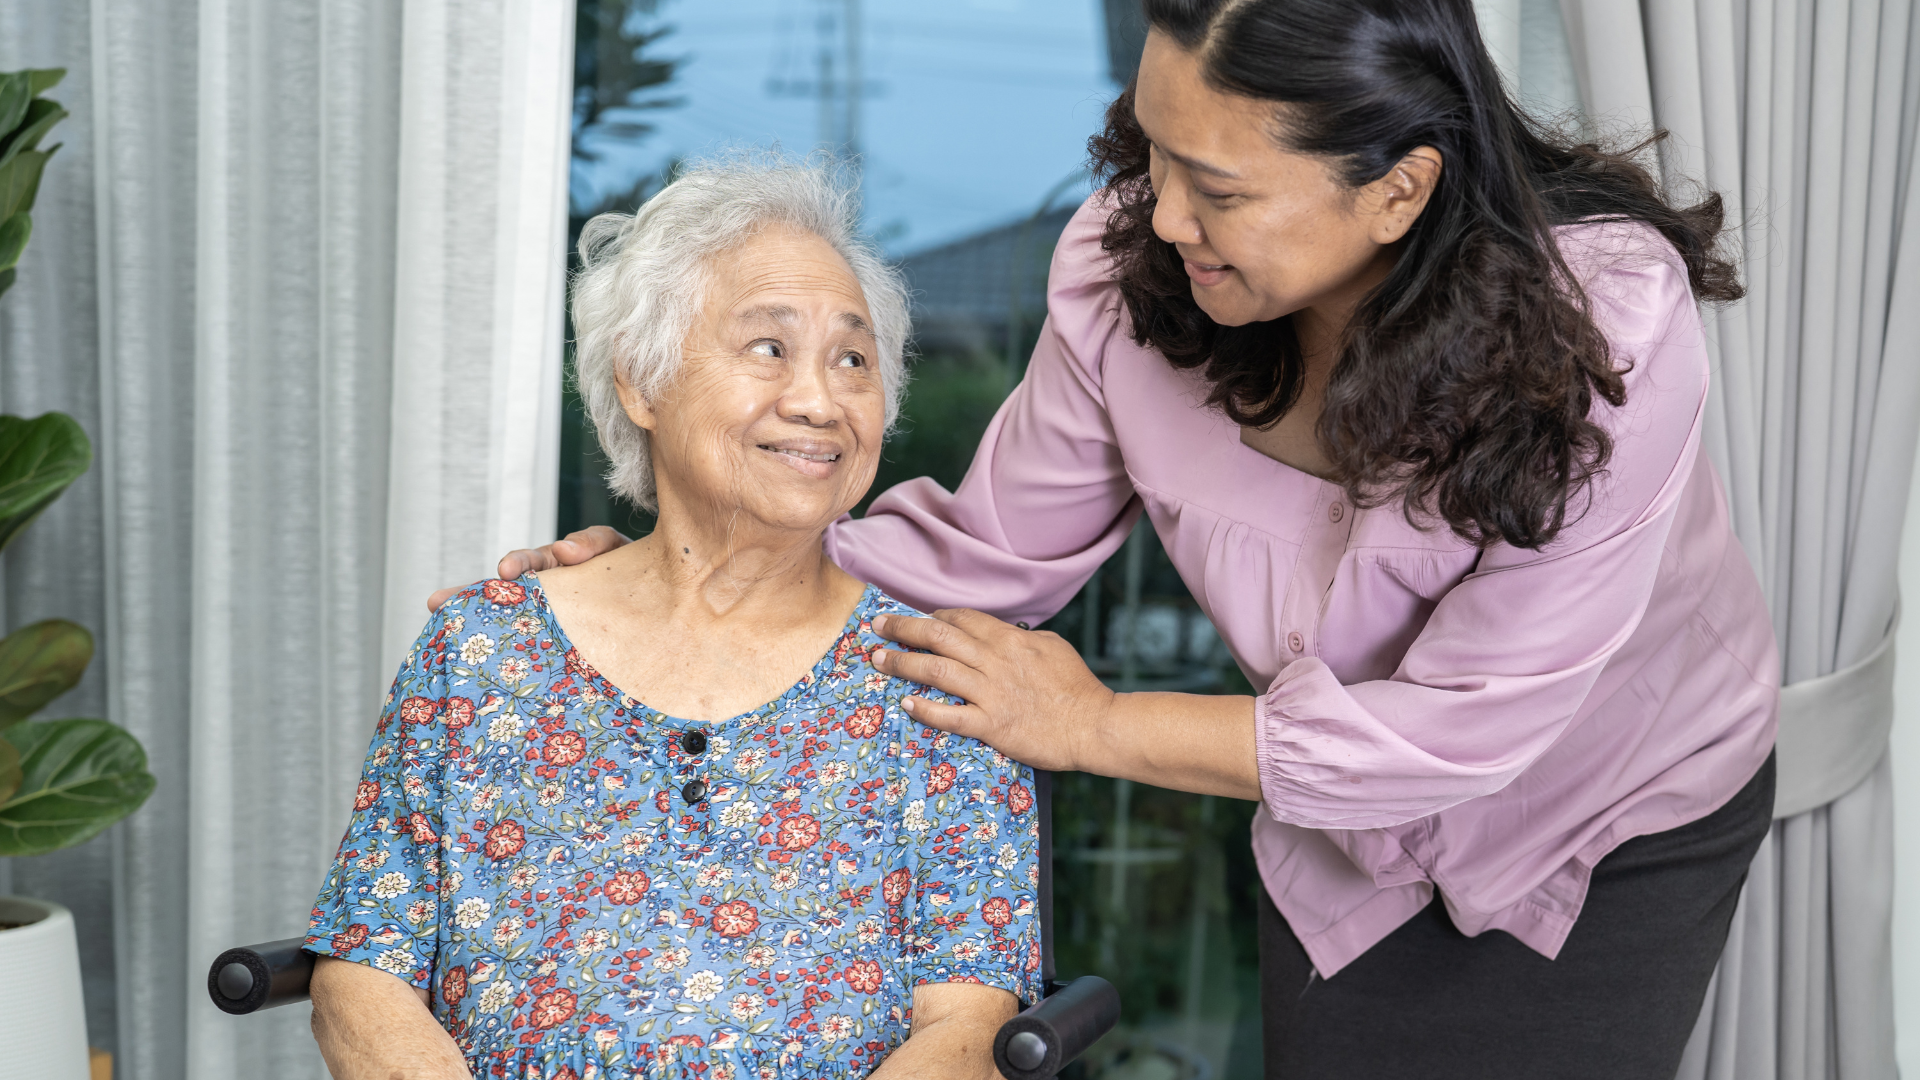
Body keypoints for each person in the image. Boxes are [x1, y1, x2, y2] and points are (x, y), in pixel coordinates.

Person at [474, 2, 1782, 1077]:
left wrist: (1094, 726)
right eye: (1155, 154)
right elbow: (985, 555)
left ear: (1399, 191)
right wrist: (683, 579)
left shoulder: (1603, 333)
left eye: (1217, 187)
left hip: (1608, 813)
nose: (1162, 217)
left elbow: (1457, 738)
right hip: (1325, 812)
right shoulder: (1129, 274)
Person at [309, 158, 1042, 1080]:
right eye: (768, 348)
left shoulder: (938, 681)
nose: (819, 401)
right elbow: (361, 970)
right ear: (641, 383)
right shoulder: (483, 650)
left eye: (852, 359)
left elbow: (967, 1029)